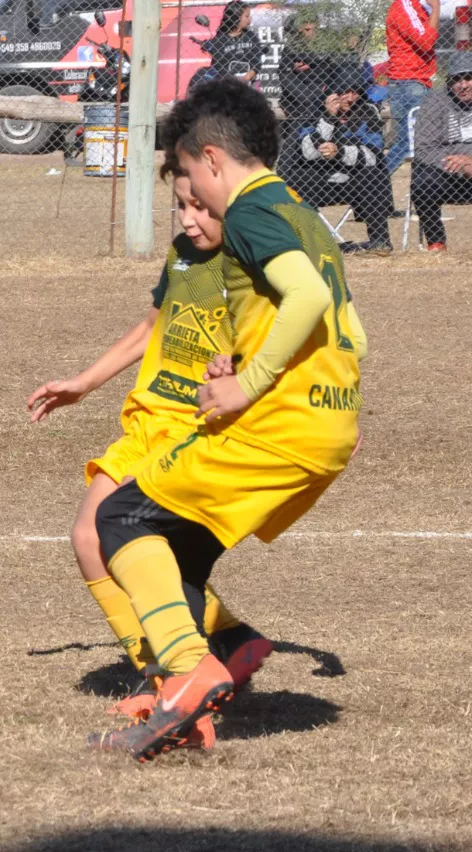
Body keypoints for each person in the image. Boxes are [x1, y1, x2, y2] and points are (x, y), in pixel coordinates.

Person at [88, 78, 366, 761]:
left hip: (282, 425)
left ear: (211, 159)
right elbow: (349, 328)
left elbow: (302, 297)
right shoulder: (299, 210)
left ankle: (189, 674)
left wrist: (252, 384)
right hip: (329, 426)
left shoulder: (246, 210)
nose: (188, 195)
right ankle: (194, 690)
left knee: (120, 518)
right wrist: (242, 361)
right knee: (177, 549)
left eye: (185, 175)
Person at [26, 168, 274, 748]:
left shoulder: (251, 265)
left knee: (110, 532)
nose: (188, 218)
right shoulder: (184, 252)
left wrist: (237, 370)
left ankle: (182, 671)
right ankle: (214, 648)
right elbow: (153, 326)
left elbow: (285, 343)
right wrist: (84, 383)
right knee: (89, 538)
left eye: (200, 207)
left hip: (188, 425)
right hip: (145, 417)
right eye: (180, 206)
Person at [281, 62, 396, 256]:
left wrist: (339, 152)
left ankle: (379, 241)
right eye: (345, 91)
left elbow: (373, 155)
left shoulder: (367, 112)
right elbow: (308, 153)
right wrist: (328, 119)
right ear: (332, 92)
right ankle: (310, 243)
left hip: (353, 182)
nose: (351, 98)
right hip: (318, 182)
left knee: (373, 175)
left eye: (356, 92)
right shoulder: (312, 113)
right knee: (302, 176)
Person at [410, 51, 472, 251]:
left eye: (468, 78)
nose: (462, 85)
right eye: (456, 80)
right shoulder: (434, 101)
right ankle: (436, 240)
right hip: (446, 173)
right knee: (422, 183)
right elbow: (423, 149)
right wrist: (460, 163)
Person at [385, 0, 440, 174]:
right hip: (409, 83)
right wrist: (436, 7)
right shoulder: (405, 6)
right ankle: (373, 183)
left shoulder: (417, 8)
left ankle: (374, 183)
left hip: (410, 83)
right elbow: (426, 41)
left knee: (414, 142)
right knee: (408, 143)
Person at [203, 1, 262, 84]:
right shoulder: (220, 40)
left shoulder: (251, 36)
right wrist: (231, 83)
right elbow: (218, 66)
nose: (250, 19)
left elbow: (256, 63)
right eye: (247, 16)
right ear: (236, 17)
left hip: (248, 83)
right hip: (226, 84)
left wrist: (245, 79)